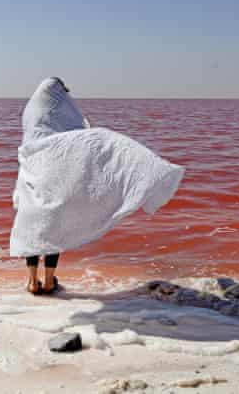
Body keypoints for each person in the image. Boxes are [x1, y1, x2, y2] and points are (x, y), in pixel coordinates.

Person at [10, 77, 185, 295]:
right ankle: (48, 281)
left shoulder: (32, 112)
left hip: (32, 175)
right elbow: (72, 139)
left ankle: (31, 281)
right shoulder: (59, 109)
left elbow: (32, 143)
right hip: (54, 179)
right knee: (51, 229)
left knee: (35, 229)